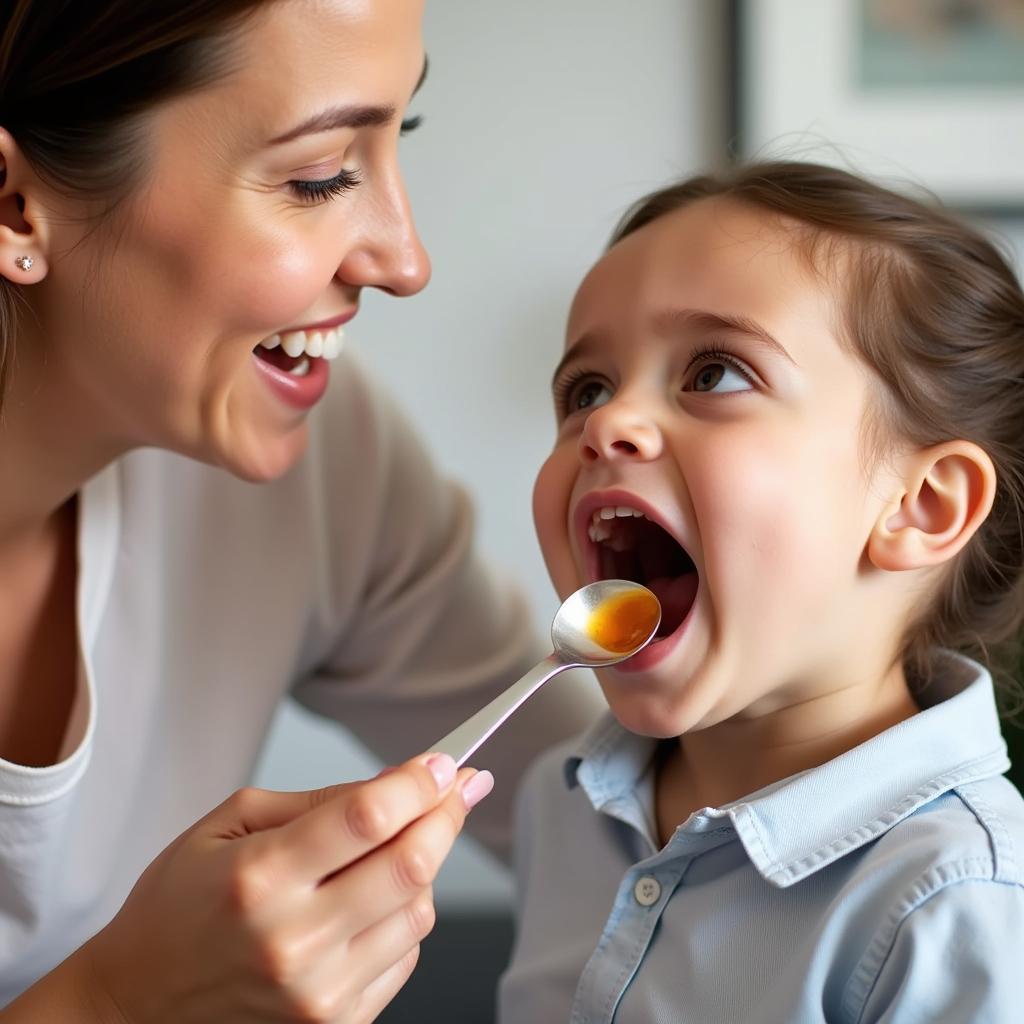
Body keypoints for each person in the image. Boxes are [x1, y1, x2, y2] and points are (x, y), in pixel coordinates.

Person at [0, 1, 600, 1020]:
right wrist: (114, 1003)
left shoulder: (321, 458)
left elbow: (596, 805)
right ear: (15, 206)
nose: (406, 262)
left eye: (395, 138)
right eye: (318, 175)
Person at [499, 161, 1024, 1022]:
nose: (605, 422)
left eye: (713, 374)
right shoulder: (557, 807)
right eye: (585, 389)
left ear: (921, 507)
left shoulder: (961, 900)